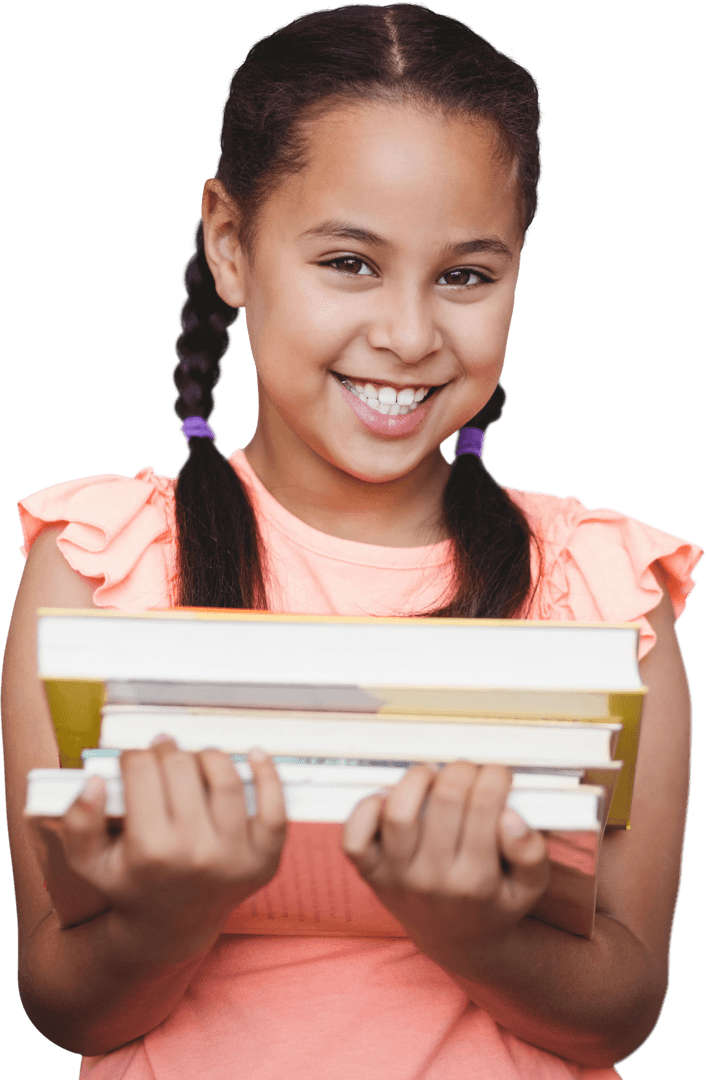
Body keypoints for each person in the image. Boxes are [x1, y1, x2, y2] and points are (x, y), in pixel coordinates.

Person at [2, 4, 702, 1078]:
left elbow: (621, 1011)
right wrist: (173, 912)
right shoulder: (104, 565)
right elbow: (64, 1002)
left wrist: (471, 928)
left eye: (466, 275)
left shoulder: (601, 593)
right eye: (348, 262)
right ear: (230, 246)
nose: (410, 335)